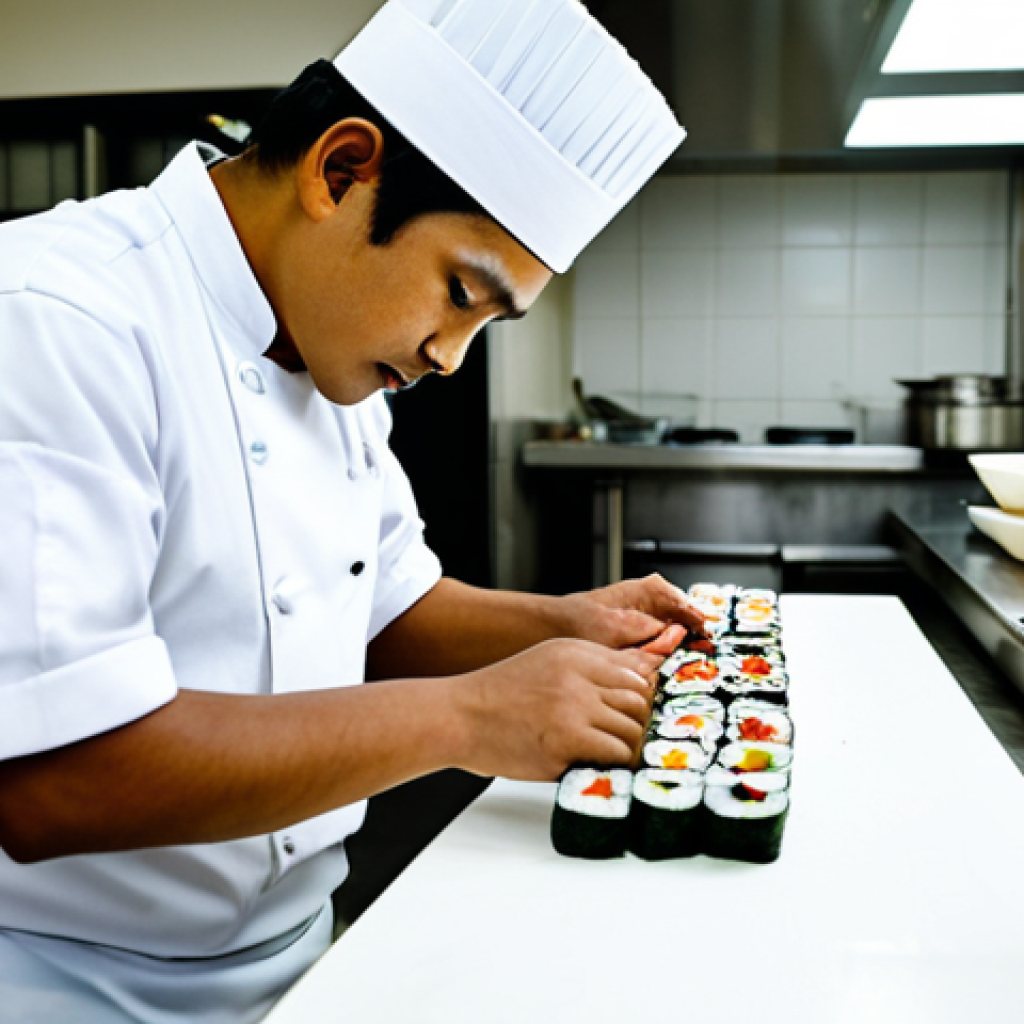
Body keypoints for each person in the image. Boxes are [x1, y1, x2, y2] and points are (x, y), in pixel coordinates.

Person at [0, 1, 696, 1020]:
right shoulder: (58, 317)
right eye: (461, 292)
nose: (450, 355)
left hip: (310, 951)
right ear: (340, 170)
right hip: (76, 985)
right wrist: (474, 715)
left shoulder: (333, 354)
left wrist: (569, 625)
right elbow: (57, 778)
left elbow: (387, 610)